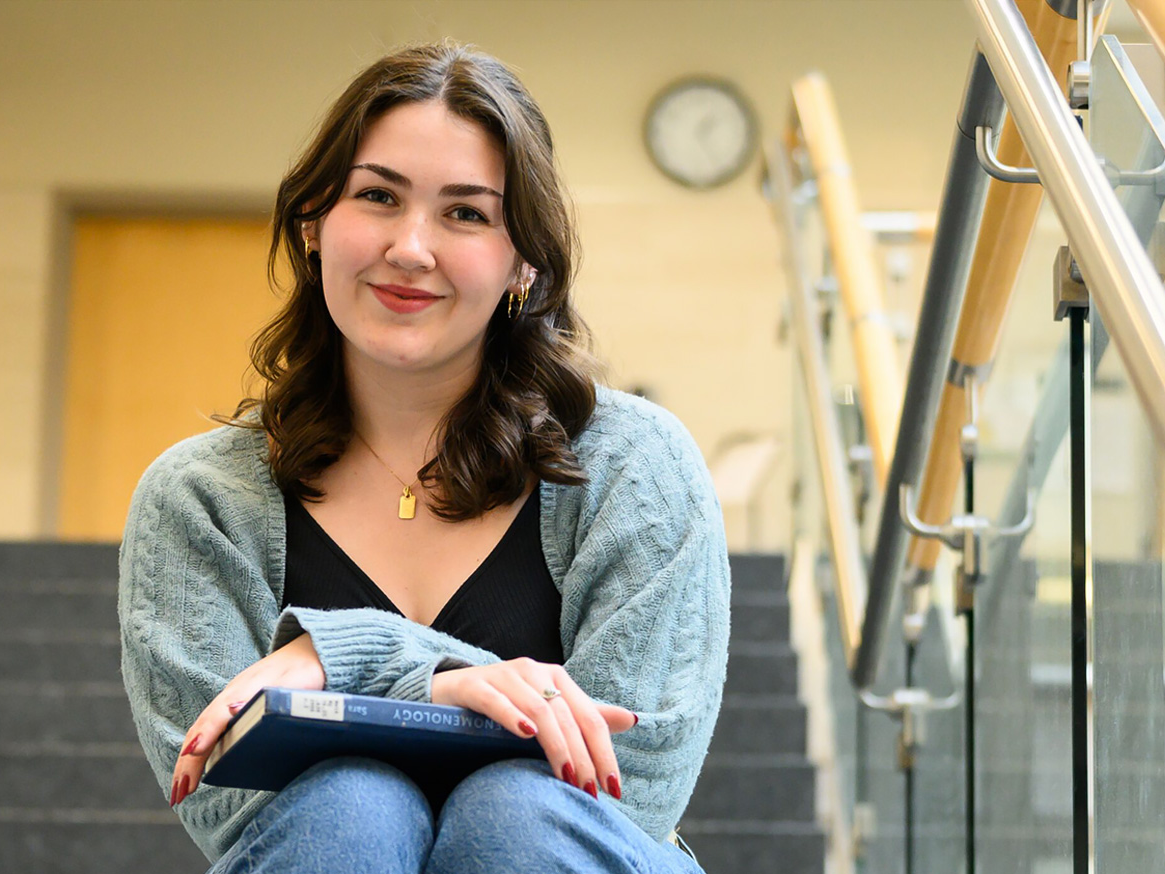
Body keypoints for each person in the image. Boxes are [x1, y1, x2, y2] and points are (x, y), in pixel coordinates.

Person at [118, 39, 730, 874]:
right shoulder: (199, 499)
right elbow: (224, 791)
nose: (411, 248)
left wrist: (335, 661)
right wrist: (423, 678)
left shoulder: (635, 465)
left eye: (466, 213)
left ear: (523, 261)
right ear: (313, 223)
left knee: (516, 816)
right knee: (347, 811)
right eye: (378, 196)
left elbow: (636, 776)